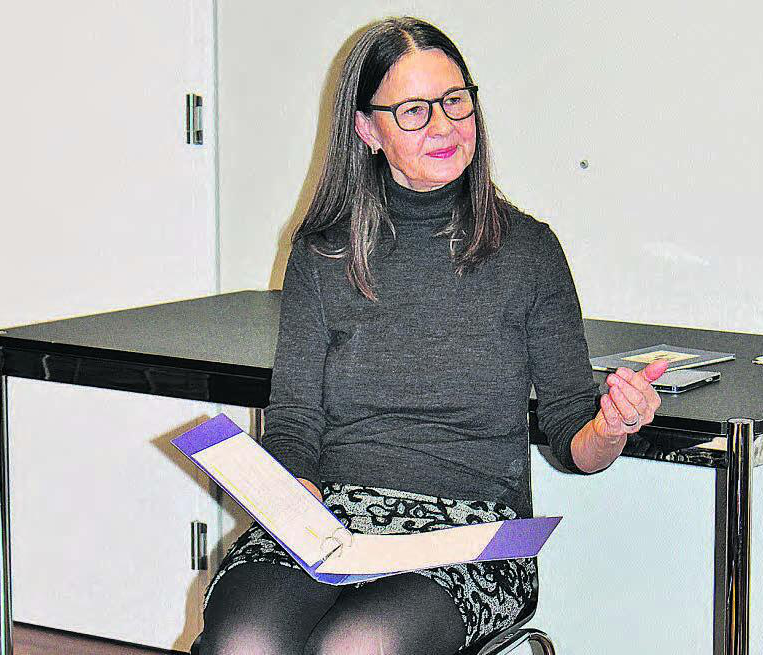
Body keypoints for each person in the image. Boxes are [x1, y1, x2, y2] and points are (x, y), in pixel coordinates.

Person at [199, 16, 667, 655]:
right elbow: (294, 427)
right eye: (414, 111)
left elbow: (573, 440)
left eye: (455, 101)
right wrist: (296, 500)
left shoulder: (529, 252)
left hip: (472, 532)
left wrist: (611, 426)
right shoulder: (322, 251)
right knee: (245, 642)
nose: (444, 126)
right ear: (368, 130)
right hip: (334, 519)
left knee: (356, 646)